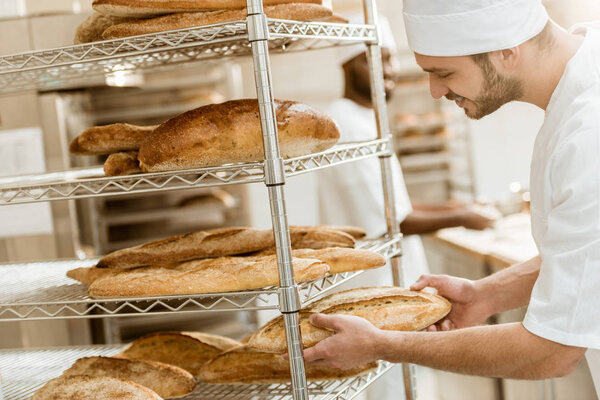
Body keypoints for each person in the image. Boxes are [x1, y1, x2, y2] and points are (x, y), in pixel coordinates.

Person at [302, 0, 600, 396]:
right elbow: (583, 265)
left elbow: (552, 351)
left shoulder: (587, 134)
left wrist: (382, 345)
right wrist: (483, 295)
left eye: (443, 72)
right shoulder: (582, 84)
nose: (435, 90)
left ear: (505, 52)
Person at [312, 15, 494, 399]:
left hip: (394, 286)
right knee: (396, 389)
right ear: (348, 64)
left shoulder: (365, 120)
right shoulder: (347, 127)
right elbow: (392, 220)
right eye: (374, 59)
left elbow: (396, 203)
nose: (387, 71)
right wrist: (464, 216)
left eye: (392, 59)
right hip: (377, 290)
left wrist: (455, 204)